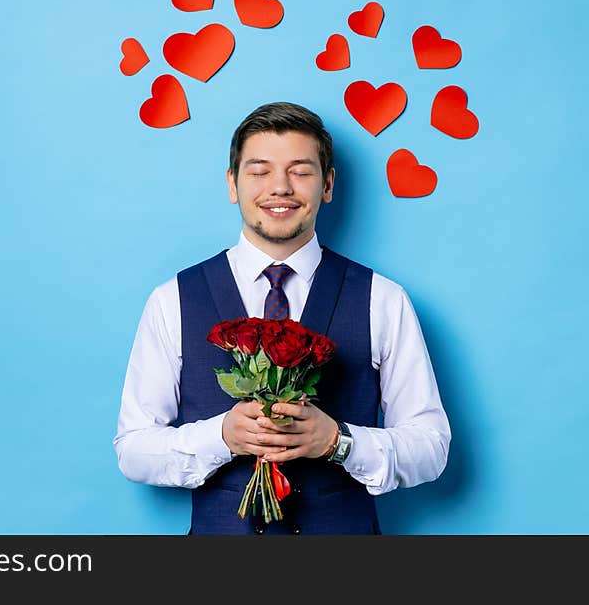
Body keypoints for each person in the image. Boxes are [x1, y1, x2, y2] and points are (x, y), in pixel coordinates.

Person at [114, 102, 450, 534]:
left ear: (327, 185)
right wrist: (222, 437)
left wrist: (338, 442)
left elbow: (432, 447)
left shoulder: (383, 299)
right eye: (259, 170)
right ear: (232, 184)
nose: (280, 187)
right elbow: (133, 449)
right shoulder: (172, 300)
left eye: (300, 171)